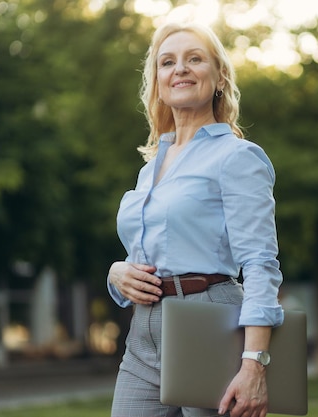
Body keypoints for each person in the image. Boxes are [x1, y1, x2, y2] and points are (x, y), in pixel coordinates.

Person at [107, 22, 284, 417]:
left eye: (194, 59)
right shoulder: (151, 166)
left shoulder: (237, 157)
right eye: (167, 62)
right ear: (157, 81)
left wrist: (254, 363)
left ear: (219, 76)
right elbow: (141, 255)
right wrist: (118, 274)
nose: (180, 69)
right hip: (143, 334)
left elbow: (260, 264)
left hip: (209, 323)